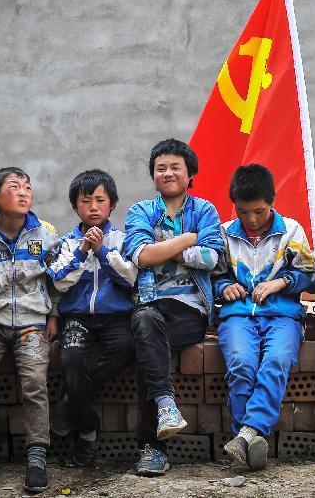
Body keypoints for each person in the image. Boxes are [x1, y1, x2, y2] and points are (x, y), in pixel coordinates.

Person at [123, 139, 224, 476]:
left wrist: (164, 247)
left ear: (190, 173)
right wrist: (188, 239)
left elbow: (212, 258)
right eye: (160, 168)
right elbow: (140, 256)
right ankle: (166, 407)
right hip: (150, 305)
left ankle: (152, 449)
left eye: (174, 167)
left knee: (146, 346)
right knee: (148, 328)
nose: (167, 173)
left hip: (190, 308)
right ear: (153, 175)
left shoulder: (205, 210)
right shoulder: (140, 211)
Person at [213, 165, 315, 471]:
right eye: (243, 212)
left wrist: (281, 283)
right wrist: (225, 286)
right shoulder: (224, 233)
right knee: (242, 366)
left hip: (284, 317)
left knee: (275, 362)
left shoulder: (292, 232)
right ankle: (252, 441)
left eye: (259, 211)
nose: (252, 219)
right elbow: (214, 277)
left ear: (271, 202)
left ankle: (244, 435)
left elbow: (311, 276)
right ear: (235, 207)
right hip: (237, 318)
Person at [0, 167, 60, 493]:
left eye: (27, 187)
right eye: (14, 187)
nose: (23, 193)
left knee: (34, 380)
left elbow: (57, 279)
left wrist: (54, 315)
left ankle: (36, 457)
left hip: (32, 324)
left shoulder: (45, 233)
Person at [48, 169, 137, 465]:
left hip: (115, 318)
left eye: (101, 200)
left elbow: (129, 279)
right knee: (71, 359)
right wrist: (83, 250)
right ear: (75, 207)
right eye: (86, 201)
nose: (94, 207)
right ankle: (87, 430)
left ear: (112, 204)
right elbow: (58, 281)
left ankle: (68, 401)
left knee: (126, 348)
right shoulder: (65, 243)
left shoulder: (123, 240)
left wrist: (101, 251)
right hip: (77, 318)